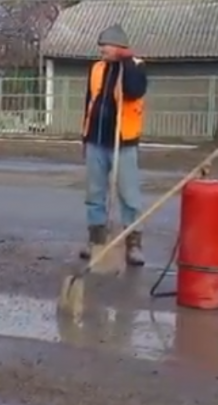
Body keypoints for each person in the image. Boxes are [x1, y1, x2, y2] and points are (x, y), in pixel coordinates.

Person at [80, 24, 148, 267]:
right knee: (95, 194)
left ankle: (133, 244)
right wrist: (84, 137)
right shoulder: (97, 69)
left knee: (129, 196)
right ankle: (96, 241)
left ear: (119, 47)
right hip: (96, 141)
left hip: (123, 142)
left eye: (105, 46)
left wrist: (127, 63)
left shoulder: (136, 68)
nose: (101, 50)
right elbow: (89, 102)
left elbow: (133, 92)